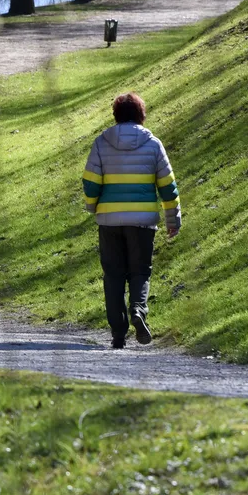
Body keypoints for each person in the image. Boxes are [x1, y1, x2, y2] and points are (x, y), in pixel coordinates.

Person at [82, 92, 181, 349]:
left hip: (110, 221)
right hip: (143, 222)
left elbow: (91, 182)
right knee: (140, 271)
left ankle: (118, 334)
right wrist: (173, 219)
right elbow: (168, 187)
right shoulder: (153, 144)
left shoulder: (101, 143)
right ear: (141, 114)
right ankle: (139, 309)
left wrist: (93, 208)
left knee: (113, 275)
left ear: (116, 115)